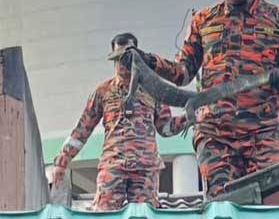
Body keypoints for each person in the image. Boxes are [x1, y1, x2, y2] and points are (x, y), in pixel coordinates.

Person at [138, 0, 279, 198]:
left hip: (263, 133)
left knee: (271, 204)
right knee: (222, 206)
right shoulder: (204, 21)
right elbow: (183, 73)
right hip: (215, 134)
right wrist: (150, 62)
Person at [51, 33, 187, 210]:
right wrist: (62, 161)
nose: (123, 64)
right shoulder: (103, 91)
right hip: (113, 166)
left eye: (127, 58)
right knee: (105, 214)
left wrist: (188, 118)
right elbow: (82, 129)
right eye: (118, 59)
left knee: (143, 214)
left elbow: (166, 128)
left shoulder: (153, 89)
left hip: (145, 168)